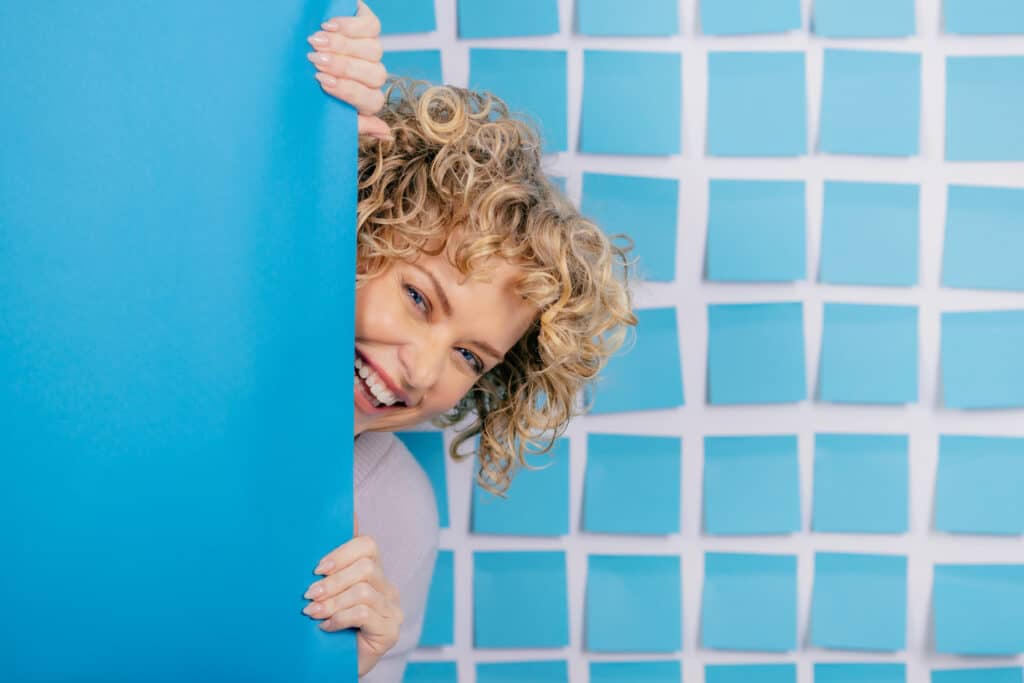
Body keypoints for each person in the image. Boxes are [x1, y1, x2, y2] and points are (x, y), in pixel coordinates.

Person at [299, 3, 637, 680]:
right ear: (360, 223)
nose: (422, 370)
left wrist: (355, 664)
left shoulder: (397, 514)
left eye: (468, 356)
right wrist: (308, 106)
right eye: (419, 298)